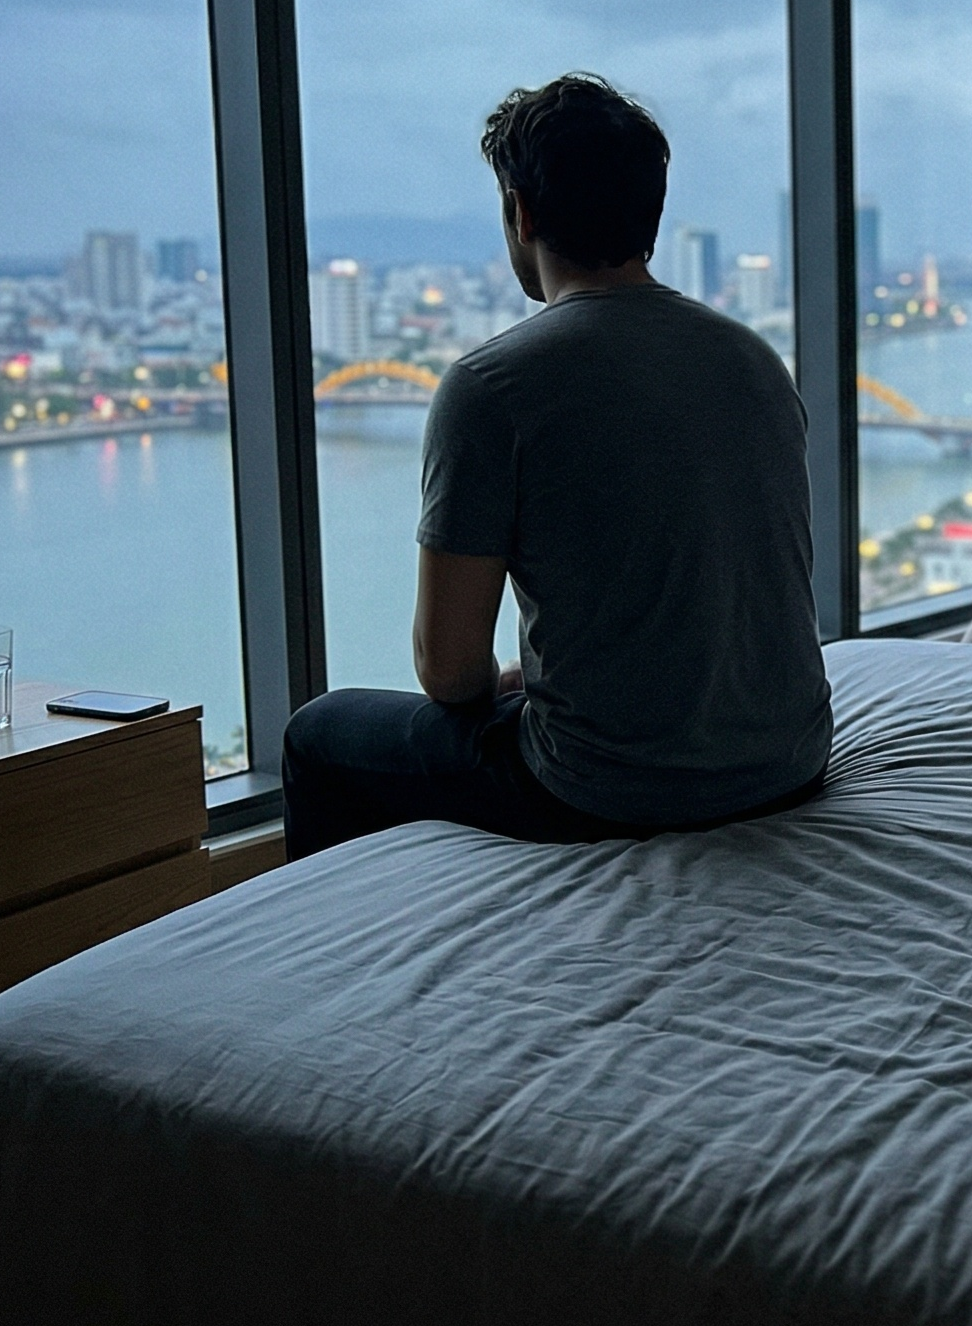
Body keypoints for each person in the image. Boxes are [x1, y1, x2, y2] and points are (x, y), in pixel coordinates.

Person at [281, 73, 831, 859]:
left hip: (602, 788)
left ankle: (344, 959)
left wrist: (512, 682)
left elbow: (448, 672)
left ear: (521, 212)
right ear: (651, 213)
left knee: (318, 734)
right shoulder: (752, 361)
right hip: (790, 764)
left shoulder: (491, 387)